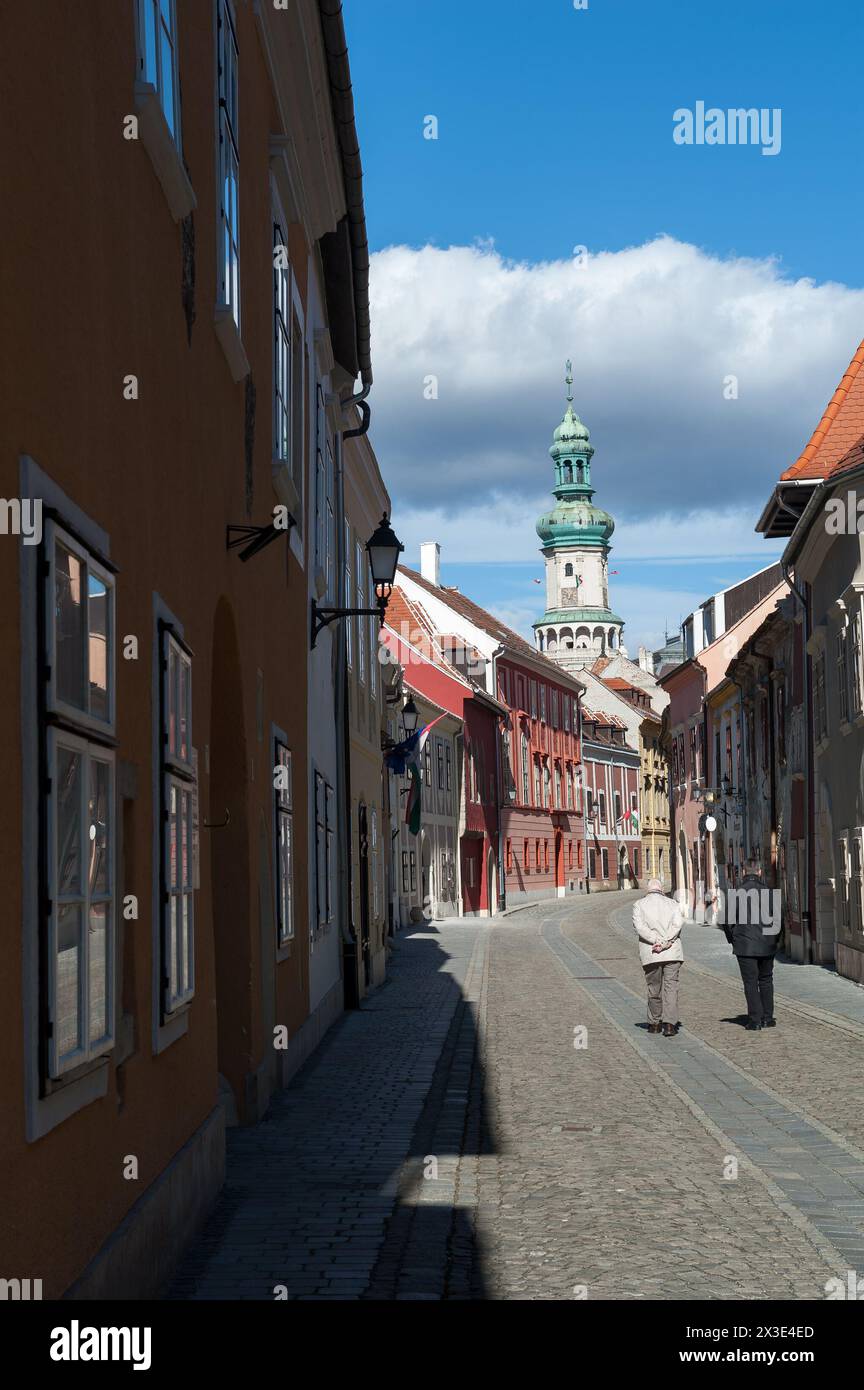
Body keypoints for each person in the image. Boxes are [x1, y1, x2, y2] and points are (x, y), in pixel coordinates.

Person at [724, 865, 778, 1031]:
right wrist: (774, 940)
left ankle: (755, 1020)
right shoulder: (770, 892)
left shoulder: (736, 893)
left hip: (745, 946)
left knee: (750, 982)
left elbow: (727, 922)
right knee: (766, 980)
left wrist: (733, 939)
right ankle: (768, 1018)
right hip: (767, 944)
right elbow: (779, 920)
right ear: (760, 872)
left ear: (744, 872)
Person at [633, 879, 684, 1037]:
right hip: (672, 952)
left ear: (648, 890)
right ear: (661, 889)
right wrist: (665, 942)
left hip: (652, 952)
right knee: (671, 988)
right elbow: (677, 926)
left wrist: (656, 941)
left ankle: (655, 1023)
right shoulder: (673, 904)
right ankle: (669, 1025)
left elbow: (640, 928)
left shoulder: (639, 905)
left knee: (654, 989)